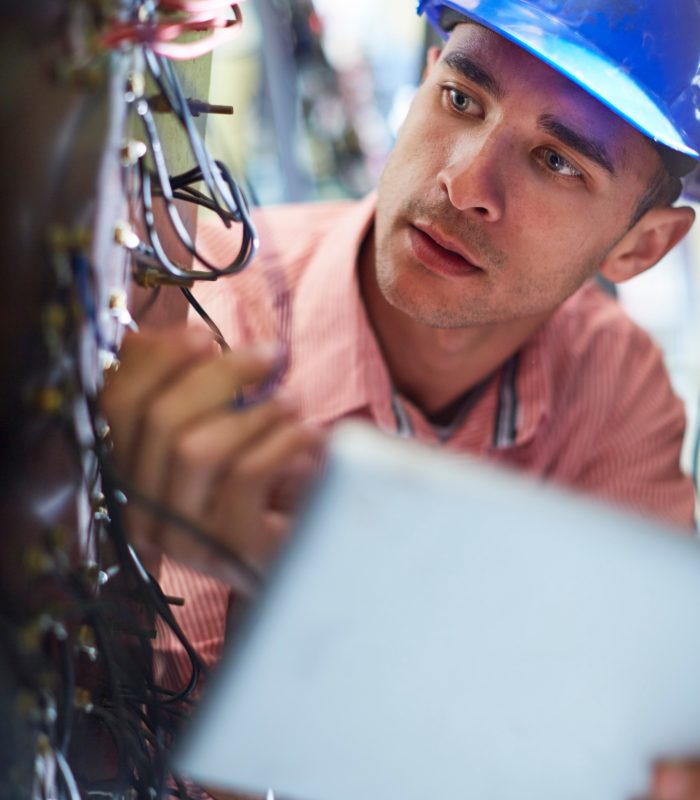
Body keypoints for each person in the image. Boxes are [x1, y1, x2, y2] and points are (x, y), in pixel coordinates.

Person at [101, 0, 700, 797]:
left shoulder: (612, 382)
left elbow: (640, 758)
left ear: (642, 245)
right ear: (424, 82)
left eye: (557, 162)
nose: (463, 182)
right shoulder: (190, 315)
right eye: (461, 99)